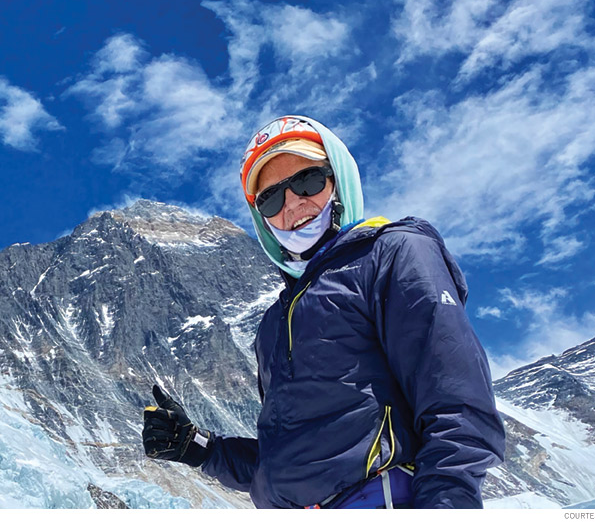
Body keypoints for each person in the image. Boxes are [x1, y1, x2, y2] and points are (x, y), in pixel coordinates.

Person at [142, 115, 505, 508]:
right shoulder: (273, 324)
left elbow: (457, 407)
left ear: (339, 180)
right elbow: (288, 462)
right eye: (271, 198)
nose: (293, 203)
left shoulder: (392, 254)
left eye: (308, 180)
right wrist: (200, 449)